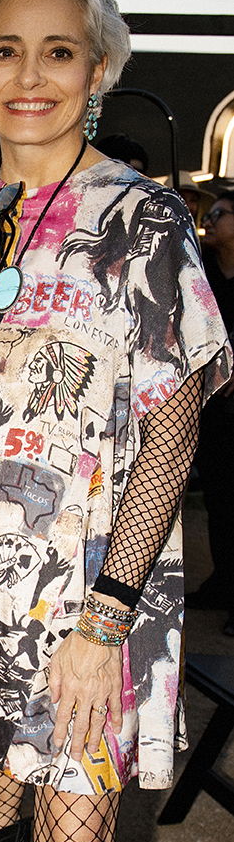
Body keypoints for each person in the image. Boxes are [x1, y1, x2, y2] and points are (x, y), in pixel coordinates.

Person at [0, 0, 231, 842]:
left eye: (57, 50)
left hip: (84, 597)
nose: (29, 74)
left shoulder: (142, 221)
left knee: (68, 839)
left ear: (98, 69)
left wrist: (105, 621)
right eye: (5, 50)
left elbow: (172, 431)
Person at [188, 190, 234, 636]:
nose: (211, 222)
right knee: (221, 501)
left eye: (220, 214)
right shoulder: (206, 269)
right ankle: (222, 581)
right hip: (216, 410)